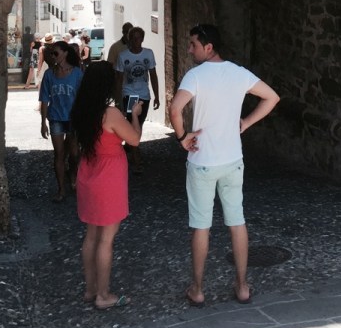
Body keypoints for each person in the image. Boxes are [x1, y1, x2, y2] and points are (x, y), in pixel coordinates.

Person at [169, 23, 280, 308]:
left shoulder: (195, 76)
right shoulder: (239, 73)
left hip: (202, 161)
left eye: (194, 44)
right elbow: (272, 97)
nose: (190, 49)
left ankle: (198, 290)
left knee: (201, 227)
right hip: (232, 160)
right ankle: (242, 286)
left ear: (209, 47)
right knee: (237, 222)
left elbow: (174, 108)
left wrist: (183, 138)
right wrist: (245, 123)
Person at [71, 62, 143, 310]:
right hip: (108, 178)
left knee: (91, 236)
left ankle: (90, 289)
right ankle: (103, 295)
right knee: (106, 240)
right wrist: (134, 114)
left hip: (88, 175)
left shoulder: (82, 110)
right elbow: (134, 140)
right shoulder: (110, 114)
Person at [39, 40, 83, 201]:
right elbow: (44, 99)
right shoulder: (49, 74)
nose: (53, 56)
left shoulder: (77, 73)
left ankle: (73, 176)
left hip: (73, 118)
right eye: (51, 54)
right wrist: (43, 122)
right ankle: (61, 189)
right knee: (59, 153)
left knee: (74, 153)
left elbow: (82, 97)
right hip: (56, 117)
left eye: (56, 53)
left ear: (65, 53)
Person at [114, 26, 160, 172]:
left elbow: (153, 75)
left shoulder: (148, 54)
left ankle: (131, 147)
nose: (136, 41)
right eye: (133, 38)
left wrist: (157, 95)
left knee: (139, 123)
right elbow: (119, 79)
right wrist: (119, 100)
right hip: (130, 94)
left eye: (139, 38)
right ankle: (137, 159)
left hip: (144, 95)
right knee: (133, 124)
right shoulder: (123, 56)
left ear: (142, 39)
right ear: (129, 39)